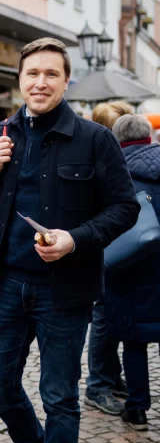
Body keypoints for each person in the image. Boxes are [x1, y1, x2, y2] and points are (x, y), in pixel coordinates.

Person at [0, 37, 139, 443]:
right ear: (19, 81)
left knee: (60, 397)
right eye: (31, 74)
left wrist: (74, 239)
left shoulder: (94, 139)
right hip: (9, 286)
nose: (39, 82)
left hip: (64, 291)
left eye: (50, 74)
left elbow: (124, 208)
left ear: (66, 82)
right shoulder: (4, 133)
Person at [104, 114, 160, 431]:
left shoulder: (116, 174)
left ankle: (137, 409)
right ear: (149, 136)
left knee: (134, 342)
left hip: (130, 270)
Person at [84, 101, 133, 415]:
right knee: (102, 318)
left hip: (119, 248)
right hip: (103, 249)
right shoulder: (97, 155)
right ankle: (97, 384)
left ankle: (111, 377)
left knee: (112, 314)